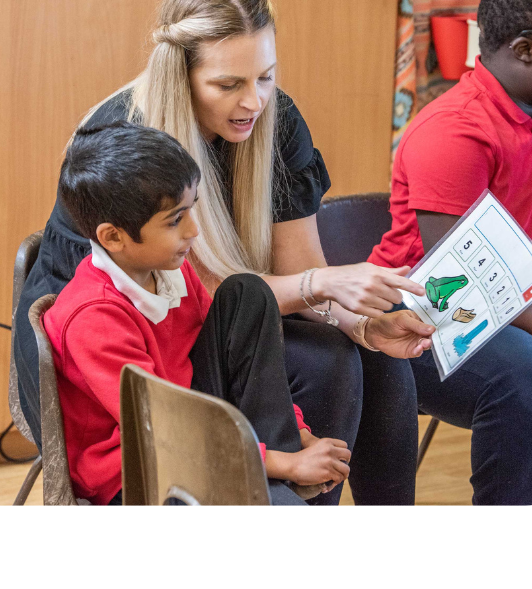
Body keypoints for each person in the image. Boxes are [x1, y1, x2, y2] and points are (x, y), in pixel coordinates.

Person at [15, 0, 434, 507]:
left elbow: (297, 278)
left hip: (191, 345)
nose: (254, 102)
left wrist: (363, 322)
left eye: (264, 76)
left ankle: (294, 481)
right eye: (228, 84)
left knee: (368, 356)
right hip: (115, 378)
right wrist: (283, 455)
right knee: (326, 365)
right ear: (182, 76)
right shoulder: (123, 151)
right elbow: (167, 403)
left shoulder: (272, 120)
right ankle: (282, 479)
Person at [43, 120, 353, 505]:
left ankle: (278, 468)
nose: (193, 231)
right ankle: (277, 477)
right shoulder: (94, 318)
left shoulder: (173, 270)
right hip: (143, 470)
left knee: (248, 292)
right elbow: (165, 430)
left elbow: (248, 369)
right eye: (175, 220)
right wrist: (286, 465)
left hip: (192, 419)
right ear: (113, 237)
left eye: (192, 210)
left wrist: (299, 436)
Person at [369, 0, 532, 505]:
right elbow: (464, 282)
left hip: (524, 309)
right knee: (530, 379)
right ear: (525, 49)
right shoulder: (456, 131)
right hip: (423, 320)